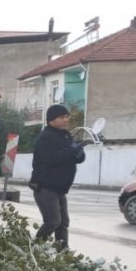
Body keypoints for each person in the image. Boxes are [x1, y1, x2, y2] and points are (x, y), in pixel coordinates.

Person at [29, 104, 86, 248]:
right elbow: (50, 158)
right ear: (51, 120)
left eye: (67, 117)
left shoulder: (66, 135)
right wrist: (71, 152)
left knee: (63, 223)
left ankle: (63, 254)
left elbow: (74, 156)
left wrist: (79, 154)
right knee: (53, 221)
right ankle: (33, 248)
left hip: (60, 189)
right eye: (62, 117)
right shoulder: (45, 137)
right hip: (45, 187)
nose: (65, 120)